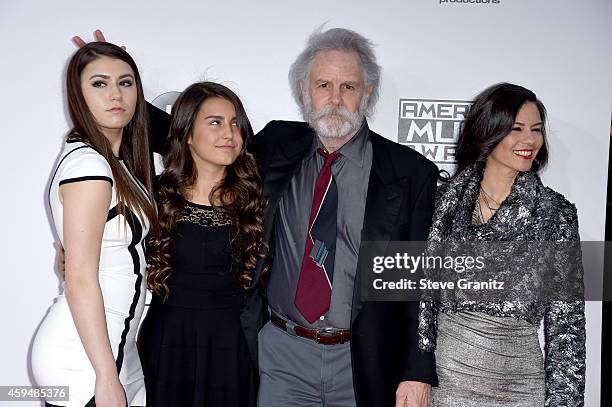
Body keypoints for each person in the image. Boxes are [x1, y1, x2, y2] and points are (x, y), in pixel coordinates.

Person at [75, 26, 438, 407]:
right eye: (323, 84)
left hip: (363, 360)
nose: (335, 98)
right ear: (304, 91)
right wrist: (118, 90)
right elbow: (193, 139)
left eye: (348, 86)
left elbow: (421, 280)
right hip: (281, 356)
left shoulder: (410, 173)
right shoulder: (278, 145)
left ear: (367, 93)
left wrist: (417, 370)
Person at [418, 83, 586, 406]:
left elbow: (567, 330)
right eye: (517, 129)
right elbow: (414, 303)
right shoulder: (441, 206)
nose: (530, 140)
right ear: (489, 131)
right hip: (445, 381)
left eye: (536, 130)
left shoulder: (556, 216)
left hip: (520, 388)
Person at [31, 42, 158, 407]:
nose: (116, 94)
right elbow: (81, 278)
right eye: (99, 84)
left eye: (126, 82)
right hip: (84, 359)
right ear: (77, 94)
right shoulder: (90, 166)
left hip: (117, 348)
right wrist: (105, 376)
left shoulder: (114, 164)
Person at [137, 82, 263, 406]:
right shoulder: (154, 195)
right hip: (168, 342)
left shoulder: (259, 198)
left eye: (236, 123)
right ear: (188, 135)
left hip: (234, 345)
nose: (230, 133)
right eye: (215, 122)